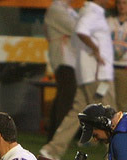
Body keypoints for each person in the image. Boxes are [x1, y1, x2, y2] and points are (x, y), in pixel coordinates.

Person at [40, 0, 116, 160]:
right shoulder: (92, 12)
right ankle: (118, 155)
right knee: (110, 115)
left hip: (88, 73)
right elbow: (81, 31)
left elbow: (77, 34)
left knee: (77, 113)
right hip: (98, 74)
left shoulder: (84, 12)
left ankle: (52, 150)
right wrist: (96, 50)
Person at [44, 0, 78, 141]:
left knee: (63, 97)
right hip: (63, 59)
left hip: (70, 60)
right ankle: (58, 134)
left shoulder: (67, 9)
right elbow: (76, 28)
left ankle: (54, 132)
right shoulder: (56, 9)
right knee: (66, 98)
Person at [107, 0, 127, 112]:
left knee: (122, 104)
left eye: (125, 3)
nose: (121, 6)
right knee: (107, 103)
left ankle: (120, 129)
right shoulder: (109, 22)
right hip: (108, 69)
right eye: (119, 3)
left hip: (125, 69)